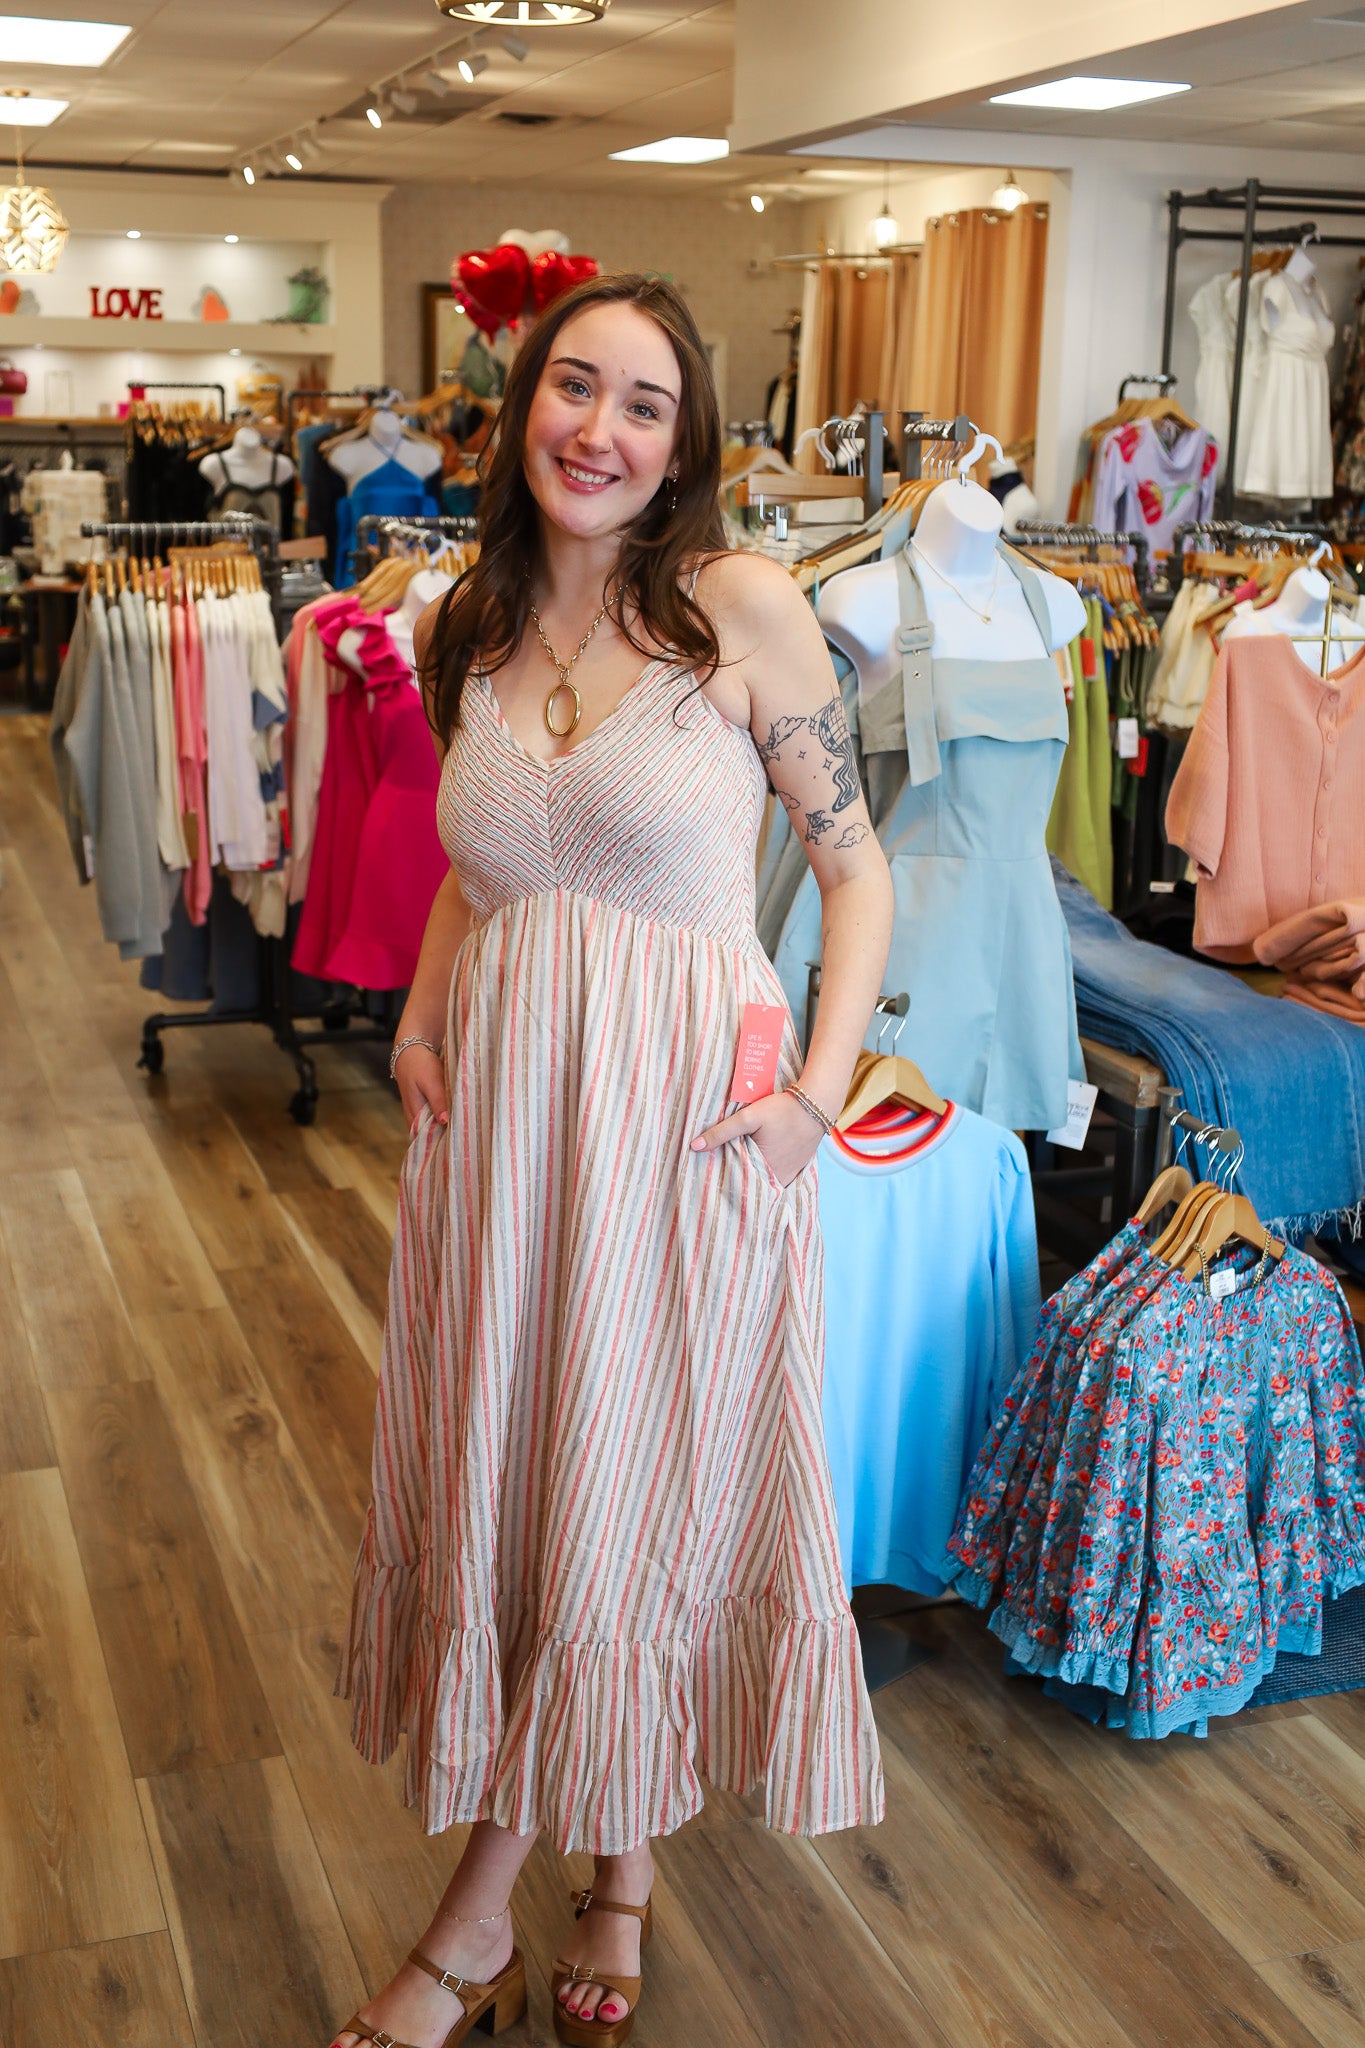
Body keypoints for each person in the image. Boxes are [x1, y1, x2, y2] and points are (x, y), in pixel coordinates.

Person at [331, 271, 893, 2048]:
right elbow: (482, 867)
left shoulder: (741, 607)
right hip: (507, 1127)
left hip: (680, 1129)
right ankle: (620, 1877)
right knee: (539, 1482)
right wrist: (419, 1024)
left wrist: (813, 1102)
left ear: (683, 443)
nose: (599, 430)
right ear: (521, 411)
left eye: (644, 404)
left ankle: (467, 1931)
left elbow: (854, 871)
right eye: (573, 388)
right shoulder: (469, 618)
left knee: (622, 1495)